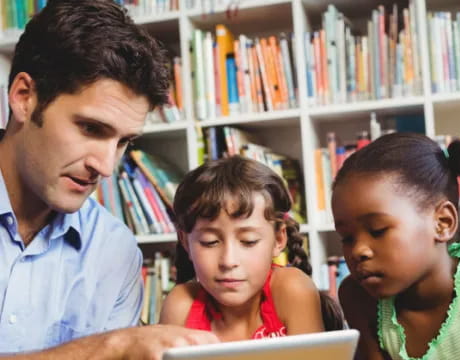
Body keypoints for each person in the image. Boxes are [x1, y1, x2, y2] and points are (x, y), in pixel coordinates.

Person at [0, 0, 218, 358]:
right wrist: (105, 348)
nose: (105, 166)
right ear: (24, 97)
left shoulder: (115, 252)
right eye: (90, 128)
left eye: (123, 142)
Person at [159, 156, 343, 341]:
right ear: (185, 242)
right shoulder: (181, 306)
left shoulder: (292, 290)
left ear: (279, 239)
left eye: (248, 241)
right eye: (210, 242)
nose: (229, 261)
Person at [332, 132, 460, 359]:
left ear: (442, 223)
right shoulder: (358, 297)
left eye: (378, 230)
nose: (358, 251)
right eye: (346, 238)